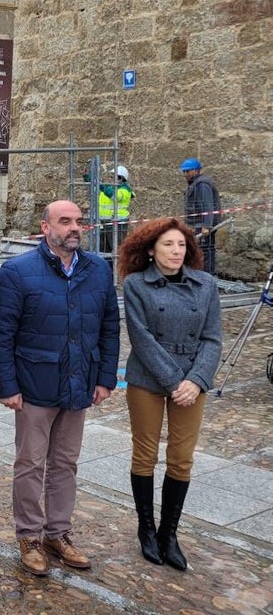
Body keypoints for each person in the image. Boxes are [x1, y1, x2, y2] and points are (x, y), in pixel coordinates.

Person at [0, 200, 120, 577]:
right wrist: (7, 385)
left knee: (65, 463)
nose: (74, 228)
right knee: (30, 463)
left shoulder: (98, 270)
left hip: (79, 383)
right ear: (45, 228)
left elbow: (110, 328)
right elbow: (3, 334)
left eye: (79, 221)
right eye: (65, 221)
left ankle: (58, 533)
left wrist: (105, 378)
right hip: (35, 384)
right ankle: (29, 536)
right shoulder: (18, 272)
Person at [117, 218, 222, 571]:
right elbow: (141, 338)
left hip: (193, 381)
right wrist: (175, 381)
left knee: (181, 457)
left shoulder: (206, 285)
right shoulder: (135, 285)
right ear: (150, 250)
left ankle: (169, 533)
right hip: (149, 378)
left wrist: (196, 380)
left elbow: (212, 338)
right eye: (167, 245)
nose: (176, 251)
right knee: (144, 453)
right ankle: (146, 529)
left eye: (181, 245)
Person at [180, 158, 222, 274]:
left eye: (188, 171)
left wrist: (207, 226)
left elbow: (207, 205)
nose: (185, 174)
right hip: (197, 223)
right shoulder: (194, 184)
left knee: (206, 252)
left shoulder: (202, 184)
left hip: (203, 225)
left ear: (196, 171)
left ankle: (206, 277)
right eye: (184, 171)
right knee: (198, 251)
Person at [91, 165, 133, 253]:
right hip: (105, 222)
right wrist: (91, 178)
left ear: (121, 178)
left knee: (117, 251)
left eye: (114, 177)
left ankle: (119, 267)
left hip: (117, 224)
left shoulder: (125, 190)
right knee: (103, 250)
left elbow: (114, 196)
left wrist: (101, 186)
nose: (111, 178)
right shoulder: (111, 188)